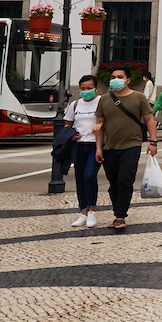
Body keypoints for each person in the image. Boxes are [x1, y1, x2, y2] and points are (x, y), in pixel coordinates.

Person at [93, 66, 157, 231]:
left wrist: (153, 141)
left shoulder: (139, 98)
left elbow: (149, 119)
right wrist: (98, 148)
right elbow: (100, 124)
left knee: (124, 180)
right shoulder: (104, 100)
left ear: (128, 80)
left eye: (120, 77)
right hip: (110, 146)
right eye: (113, 76)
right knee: (113, 182)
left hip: (132, 145)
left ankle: (120, 215)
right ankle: (118, 211)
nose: (116, 79)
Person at [62, 74, 101, 227]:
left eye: (89, 88)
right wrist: (70, 135)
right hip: (79, 145)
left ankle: (92, 209)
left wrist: (100, 146)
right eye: (83, 88)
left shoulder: (100, 102)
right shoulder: (76, 104)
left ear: (96, 89)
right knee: (79, 178)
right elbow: (67, 124)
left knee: (89, 175)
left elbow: (103, 122)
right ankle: (83, 211)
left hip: (94, 145)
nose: (86, 91)